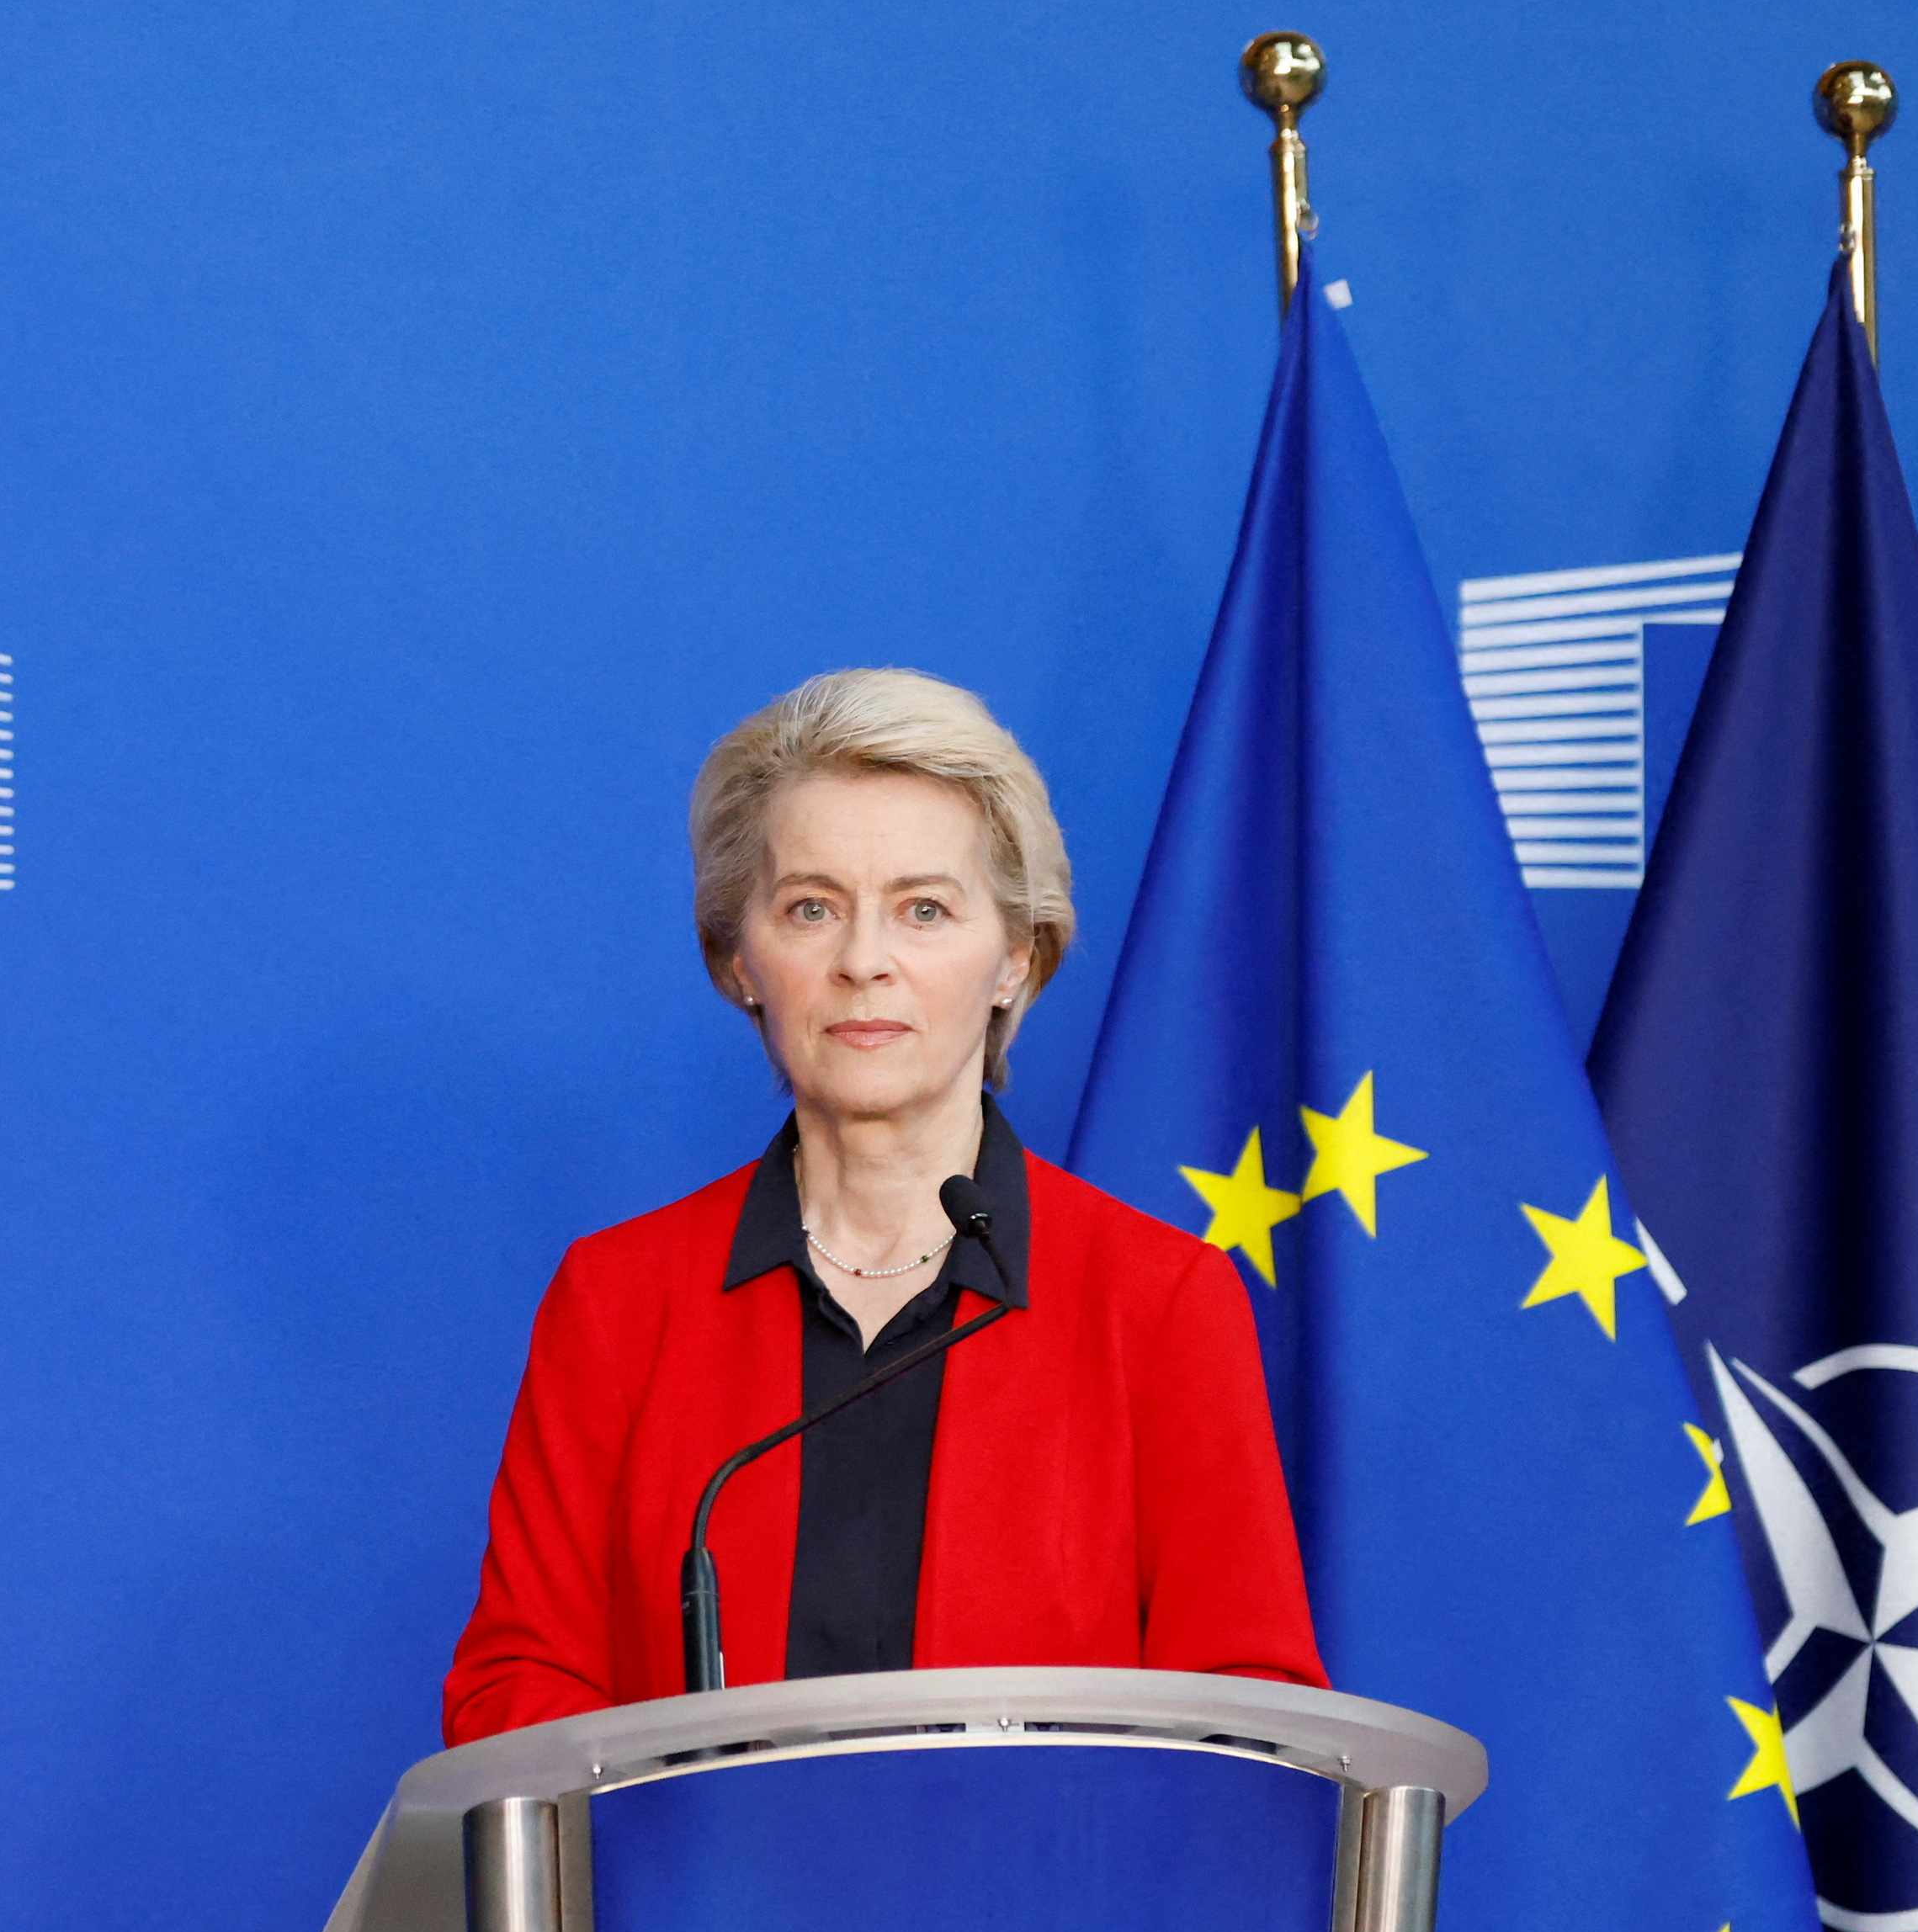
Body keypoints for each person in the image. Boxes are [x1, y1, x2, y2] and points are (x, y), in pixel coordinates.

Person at [439, 668, 1316, 1741]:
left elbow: (1246, 1709)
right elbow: (518, 1683)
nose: (864, 962)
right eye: (812, 907)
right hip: (693, 1907)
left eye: (925, 909)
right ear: (741, 960)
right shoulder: (618, 1300)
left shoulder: (1158, 1300)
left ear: (1015, 958)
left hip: (1042, 1904)